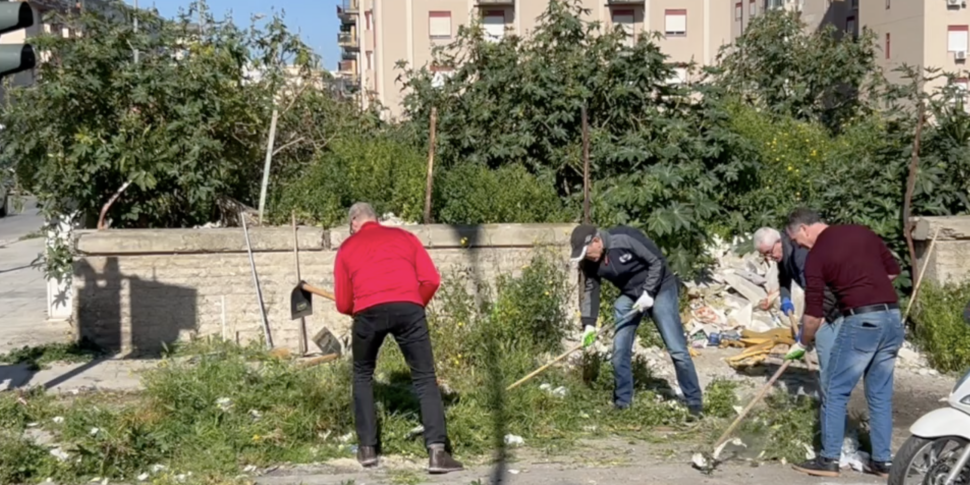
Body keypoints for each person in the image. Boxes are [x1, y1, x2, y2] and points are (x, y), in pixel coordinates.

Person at [333, 202, 463, 474]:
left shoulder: (347, 247)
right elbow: (431, 280)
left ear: (355, 221)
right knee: (425, 377)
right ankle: (438, 453)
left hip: (368, 311)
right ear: (375, 218)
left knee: (362, 375)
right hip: (408, 308)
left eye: (350, 226)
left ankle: (367, 450)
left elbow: (343, 302)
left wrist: (357, 310)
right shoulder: (406, 237)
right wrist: (414, 305)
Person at [784, 209, 901, 479]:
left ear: (803, 229)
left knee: (835, 390)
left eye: (795, 239)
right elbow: (892, 272)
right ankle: (882, 461)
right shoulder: (863, 232)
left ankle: (828, 459)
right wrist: (859, 287)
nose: (798, 245)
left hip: (862, 322)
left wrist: (802, 341)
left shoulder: (817, 256)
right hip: (892, 319)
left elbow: (814, 315)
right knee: (880, 395)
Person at [570, 224, 703, 415]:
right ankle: (623, 403)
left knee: (677, 349)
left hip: (660, 288)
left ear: (597, 241)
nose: (586, 258)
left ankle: (694, 402)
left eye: (587, 252)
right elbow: (592, 290)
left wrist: (649, 292)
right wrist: (589, 325)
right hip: (631, 295)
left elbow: (657, 262)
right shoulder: (589, 262)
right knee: (620, 350)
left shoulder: (624, 239)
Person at [753, 227, 841, 385]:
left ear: (778, 242)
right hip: (823, 301)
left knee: (824, 343)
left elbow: (814, 293)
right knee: (821, 344)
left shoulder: (799, 255)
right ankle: (828, 392)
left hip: (834, 304)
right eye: (763, 254)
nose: (769, 257)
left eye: (768, 252)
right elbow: (784, 278)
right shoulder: (782, 255)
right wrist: (786, 299)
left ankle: (831, 395)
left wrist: (808, 326)